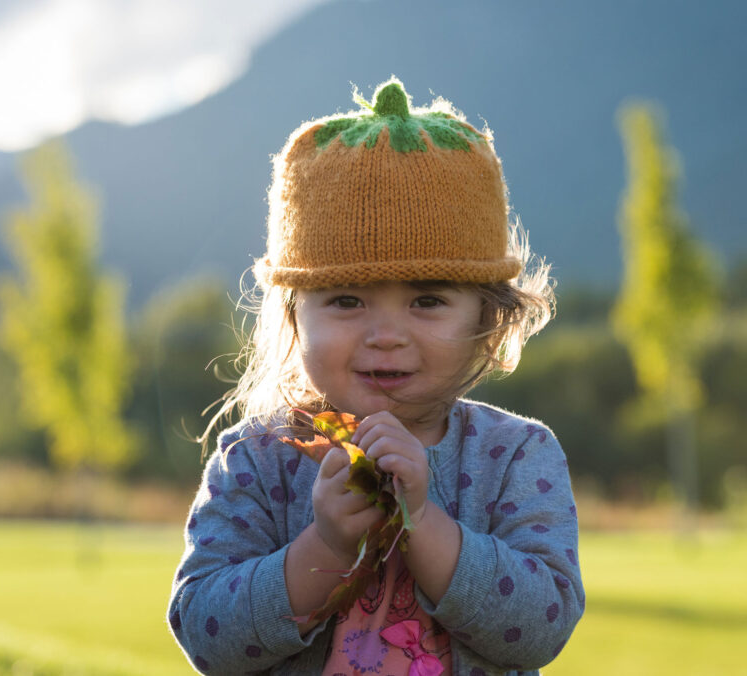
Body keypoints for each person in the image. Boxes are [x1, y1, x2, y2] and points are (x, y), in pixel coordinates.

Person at [168, 78, 585, 676]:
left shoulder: (516, 457)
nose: (386, 333)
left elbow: (540, 629)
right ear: (293, 313)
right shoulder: (256, 461)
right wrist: (326, 546)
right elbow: (208, 636)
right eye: (345, 300)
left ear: (489, 317)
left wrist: (425, 522)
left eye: (428, 300)